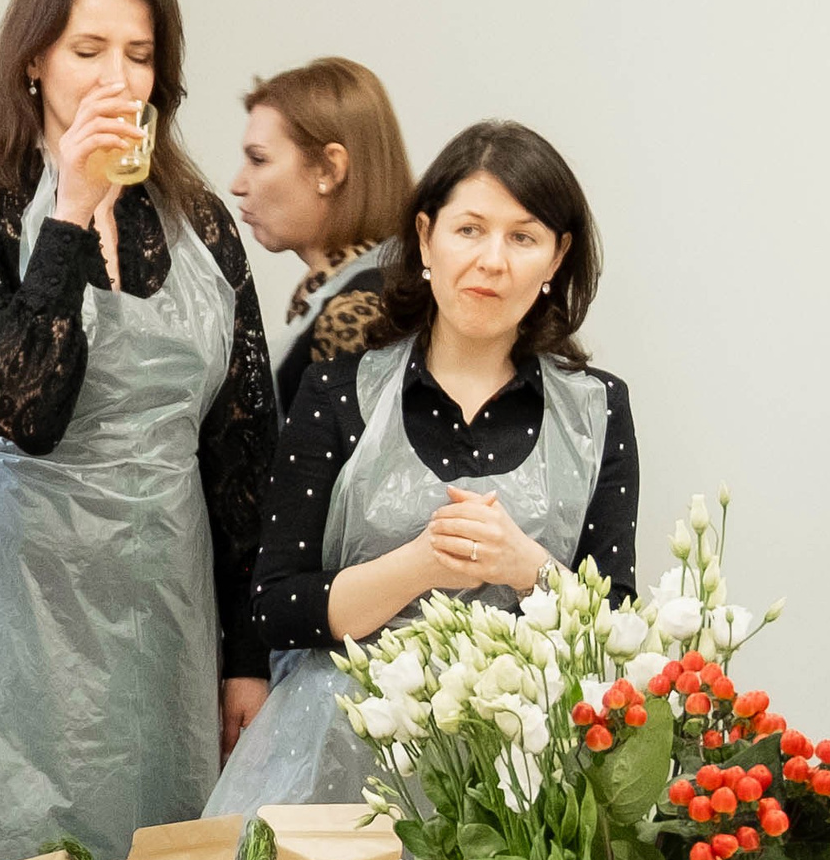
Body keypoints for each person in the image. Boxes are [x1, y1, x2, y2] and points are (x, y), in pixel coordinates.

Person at [0, 0, 277, 860]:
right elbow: (25, 413)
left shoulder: (202, 222)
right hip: (10, 610)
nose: (117, 79)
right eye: (88, 50)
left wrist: (247, 657)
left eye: (140, 56)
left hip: (162, 612)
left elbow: (243, 450)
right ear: (34, 61)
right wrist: (70, 210)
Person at [208, 121, 638, 819]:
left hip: (520, 790)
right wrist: (420, 564)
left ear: (556, 258)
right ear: (426, 237)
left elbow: (616, 626)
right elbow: (277, 606)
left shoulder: (598, 409)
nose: (492, 261)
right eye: (469, 230)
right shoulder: (337, 392)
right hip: (336, 773)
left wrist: (524, 566)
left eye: (523, 238)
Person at [227, 57, 415, 414]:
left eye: (259, 160)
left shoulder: (355, 312)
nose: (237, 185)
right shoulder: (370, 285)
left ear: (329, 169)